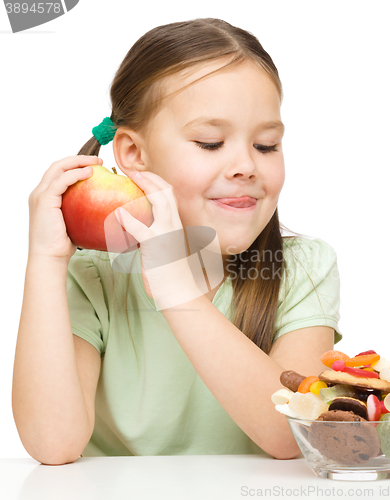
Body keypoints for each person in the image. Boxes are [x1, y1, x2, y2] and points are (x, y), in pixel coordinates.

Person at [13, 18, 342, 464]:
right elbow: (54, 444)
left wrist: (179, 294)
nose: (246, 165)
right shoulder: (93, 276)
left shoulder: (304, 268)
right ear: (133, 154)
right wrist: (46, 260)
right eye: (210, 143)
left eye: (266, 145)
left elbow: (294, 435)